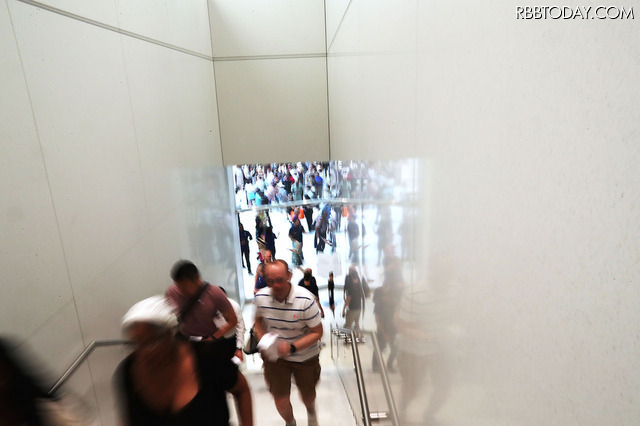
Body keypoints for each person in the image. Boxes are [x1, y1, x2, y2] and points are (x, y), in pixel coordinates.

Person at [115, 296, 253, 425]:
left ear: (169, 335)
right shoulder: (128, 370)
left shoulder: (205, 358)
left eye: (151, 343)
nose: (143, 352)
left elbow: (241, 389)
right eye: (135, 344)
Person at [254, 260, 323, 426]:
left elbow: (317, 332)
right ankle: (290, 422)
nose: (276, 285)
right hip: (276, 358)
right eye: (270, 281)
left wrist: (291, 347)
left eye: (280, 280)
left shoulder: (305, 300)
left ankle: (311, 410)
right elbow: (257, 322)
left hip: (305, 355)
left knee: (307, 394)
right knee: (280, 397)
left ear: (289, 276)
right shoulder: (261, 297)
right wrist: (263, 340)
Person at [165, 260, 237, 342]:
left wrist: (214, 337)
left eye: (184, 287)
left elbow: (232, 320)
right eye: (178, 286)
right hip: (186, 341)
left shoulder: (215, 293)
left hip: (209, 341)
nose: (181, 291)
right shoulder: (172, 292)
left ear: (196, 278)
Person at [215, 287, 246, 363]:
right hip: (215, 340)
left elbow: (240, 328)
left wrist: (239, 348)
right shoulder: (209, 307)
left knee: (232, 367)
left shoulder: (234, 306)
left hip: (231, 339)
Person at [342, 265, 367, 331]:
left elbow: (348, 299)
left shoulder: (351, 286)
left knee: (348, 325)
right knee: (357, 323)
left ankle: (349, 339)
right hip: (359, 307)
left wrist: (344, 309)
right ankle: (358, 337)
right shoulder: (359, 285)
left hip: (352, 308)